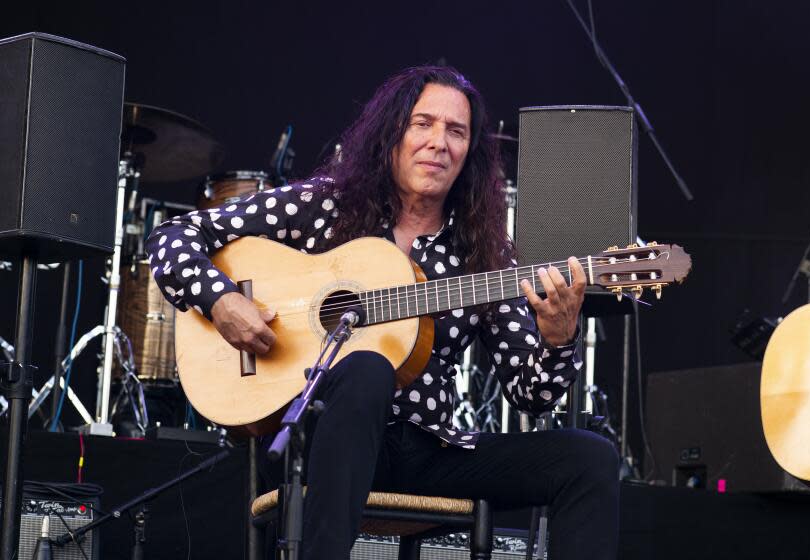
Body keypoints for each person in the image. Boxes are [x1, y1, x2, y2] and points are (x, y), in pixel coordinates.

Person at [147, 65, 618, 559]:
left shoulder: (484, 254)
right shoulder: (323, 206)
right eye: (423, 123)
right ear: (391, 133)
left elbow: (532, 395)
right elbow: (174, 237)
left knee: (589, 458)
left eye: (456, 131)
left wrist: (558, 339)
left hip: (426, 451)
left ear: (469, 154)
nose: (439, 142)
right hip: (314, 441)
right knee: (368, 366)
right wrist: (221, 300)